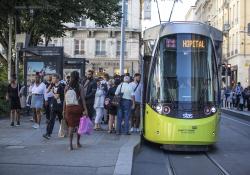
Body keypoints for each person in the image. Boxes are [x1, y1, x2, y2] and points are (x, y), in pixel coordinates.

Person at [64, 71, 88, 151]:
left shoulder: (67, 87)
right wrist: (85, 109)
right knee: (78, 126)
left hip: (69, 108)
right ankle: (77, 143)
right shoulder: (80, 86)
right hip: (77, 107)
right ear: (78, 77)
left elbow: (65, 100)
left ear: (70, 77)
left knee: (71, 126)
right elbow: (83, 99)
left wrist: (63, 110)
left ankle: (70, 145)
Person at [43, 73, 64, 139]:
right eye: (52, 78)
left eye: (54, 78)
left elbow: (57, 97)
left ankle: (65, 131)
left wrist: (52, 92)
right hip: (54, 105)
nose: (53, 79)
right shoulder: (53, 85)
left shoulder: (61, 86)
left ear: (58, 79)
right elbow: (47, 91)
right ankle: (48, 133)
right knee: (51, 119)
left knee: (61, 120)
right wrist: (51, 84)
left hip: (60, 105)